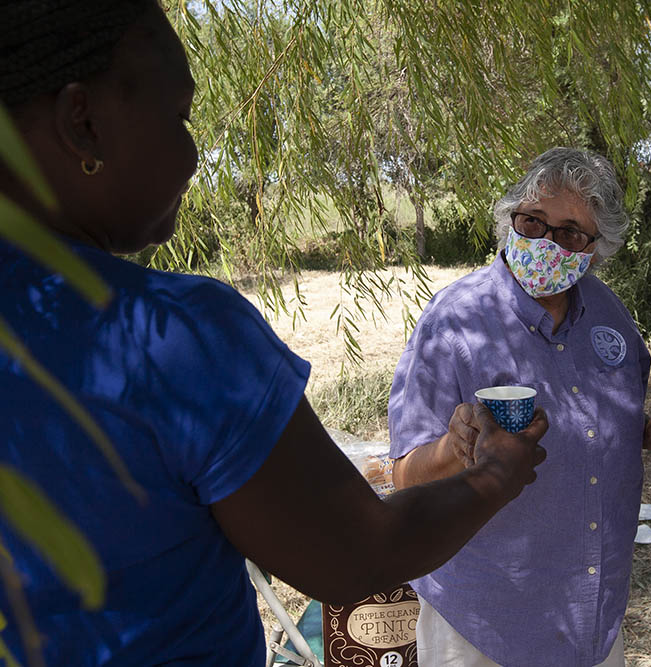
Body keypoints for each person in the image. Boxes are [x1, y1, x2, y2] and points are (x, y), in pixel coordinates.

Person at [0, 1, 548, 664]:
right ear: (81, 123)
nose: (195, 153)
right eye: (179, 116)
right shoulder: (173, 339)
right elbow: (355, 553)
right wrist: (496, 475)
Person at [389, 147, 651, 667]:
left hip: (591, 613)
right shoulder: (455, 321)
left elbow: (599, 418)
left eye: (572, 232)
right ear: (511, 219)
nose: (547, 242)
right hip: (484, 624)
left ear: (596, 250)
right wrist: (454, 445)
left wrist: (646, 430)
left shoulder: (607, 313)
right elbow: (403, 476)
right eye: (533, 222)